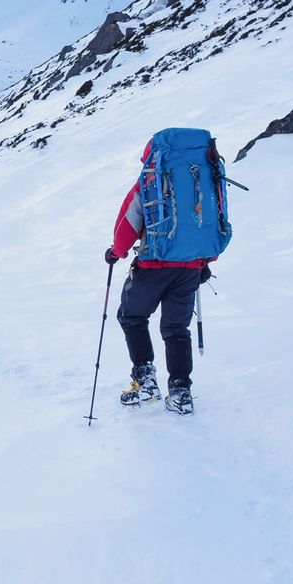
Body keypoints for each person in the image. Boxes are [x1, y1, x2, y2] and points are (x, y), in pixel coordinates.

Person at [104, 140, 215, 415]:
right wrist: (204, 261)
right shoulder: (205, 178)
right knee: (177, 329)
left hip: (153, 266)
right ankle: (180, 393)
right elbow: (214, 223)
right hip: (190, 268)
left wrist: (116, 253)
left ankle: (145, 382)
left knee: (131, 316)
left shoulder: (148, 182)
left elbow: (127, 224)